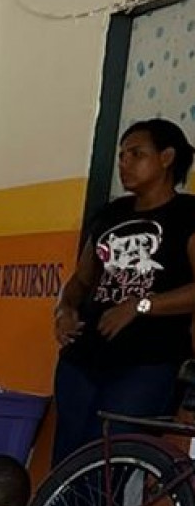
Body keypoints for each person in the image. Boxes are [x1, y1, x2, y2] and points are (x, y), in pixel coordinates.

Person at [53, 120, 195, 464]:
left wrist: (141, 305)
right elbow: (81, 281)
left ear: (167, 157)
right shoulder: (111, 215)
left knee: (109, 460)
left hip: (148, 362)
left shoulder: (188, 214)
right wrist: (65, 310)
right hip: (83, 356)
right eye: (120, 156)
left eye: (136, 154)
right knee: (67, 459)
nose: (124, 164)